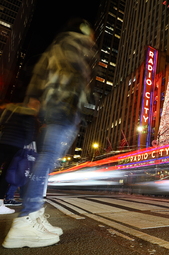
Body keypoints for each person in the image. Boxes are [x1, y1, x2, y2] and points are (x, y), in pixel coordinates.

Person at [3, 18, 97, 249]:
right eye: (90, 35)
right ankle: (26, 220)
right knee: (45, 161)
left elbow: (38, 79)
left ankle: (33, 214)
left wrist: (36, 106)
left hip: (53, 111)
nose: (92, 40)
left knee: (45, 161)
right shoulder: (72, 45)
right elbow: (71, 80)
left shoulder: (59, 46)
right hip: (62, 110)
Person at [0, 99, 39, 214]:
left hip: (3, 142)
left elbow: (2, 122)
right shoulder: (29, 115)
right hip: (16, 147)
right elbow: (29, 135)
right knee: (6, 174)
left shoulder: (12, 110)